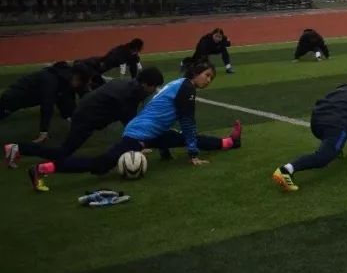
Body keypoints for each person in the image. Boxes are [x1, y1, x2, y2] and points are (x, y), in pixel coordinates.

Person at [27, 61, 242, 193]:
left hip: (149, 132)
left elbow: (160, 114)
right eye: (207, 75)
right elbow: (186, 121)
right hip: (139, 134)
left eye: (211, 78)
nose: (208, 80)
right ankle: (43, 169)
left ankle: (230, 141)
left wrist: (165, 148)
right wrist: (193, 155)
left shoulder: (180, 84)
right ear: (196, 73)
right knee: (100, 165)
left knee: (184, 137)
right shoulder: (186, 88)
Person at [5, 67, 165, 167]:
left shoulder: (131, 85)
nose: (154, 90)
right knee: (62, 153)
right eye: (155, 86)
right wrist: (136, 144)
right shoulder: (132, 93)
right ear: (147, 84)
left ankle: (18, 149)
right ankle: (18, 148)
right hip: (85, 118)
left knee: (63, 152)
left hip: (86, 113)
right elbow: (129, 120)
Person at [271, 79, 347, 192]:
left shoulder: (344, 88)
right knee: (324, 157)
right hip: (335, 124)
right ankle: (286, 170)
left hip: (316, 121)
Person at [0, 61, 96, 143]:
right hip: (13, 99)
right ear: (76, 77)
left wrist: (75, 120)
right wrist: (43, 131)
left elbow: (66, 102)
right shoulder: (51, 81)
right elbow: (47, 105)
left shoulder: (64, 79)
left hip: (24, 99)